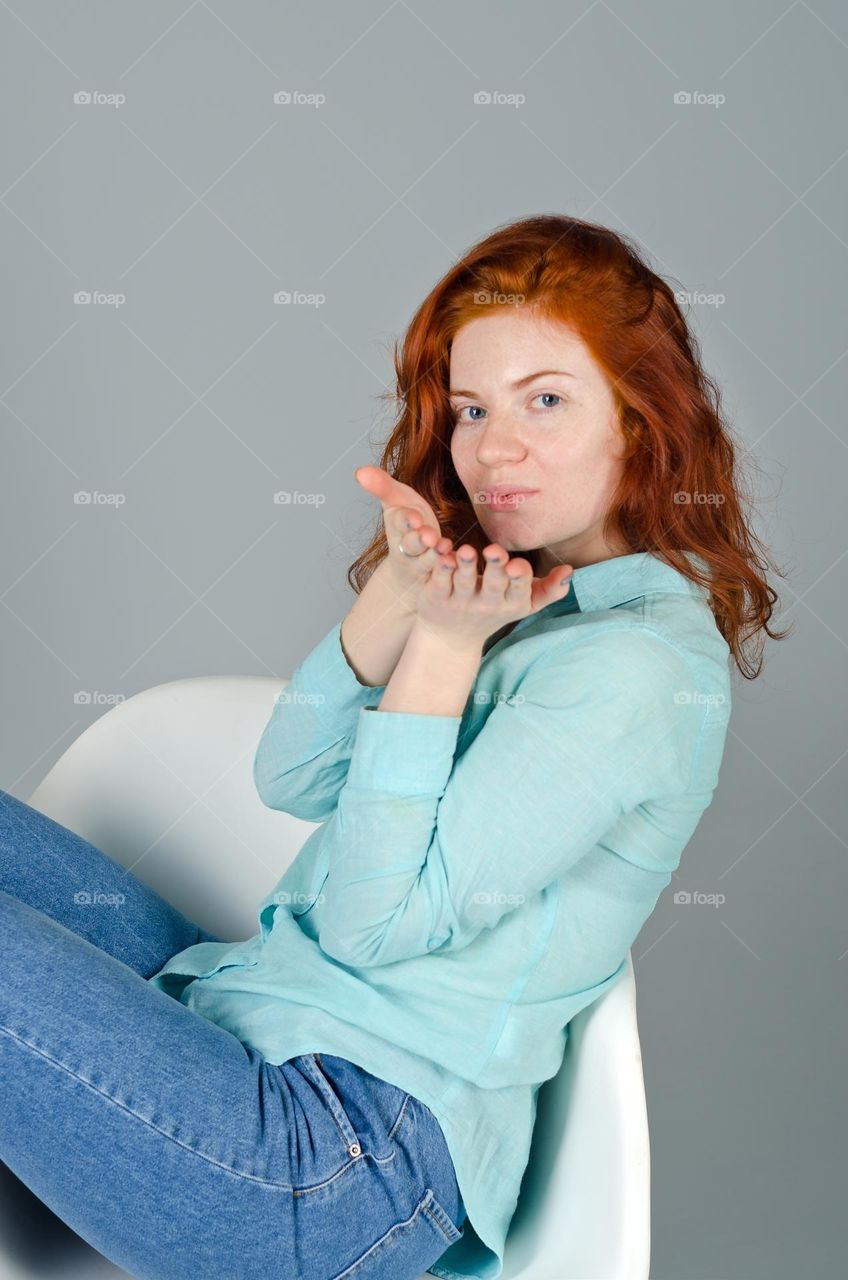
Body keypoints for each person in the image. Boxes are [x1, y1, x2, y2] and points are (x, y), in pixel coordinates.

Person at [0, 214, 788, 1280]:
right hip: (248, 1010)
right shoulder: (531, 594)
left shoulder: (635, 670)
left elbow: (375, 924)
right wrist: (394, 607)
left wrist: (446, 651)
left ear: (639, 423)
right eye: (471, 408)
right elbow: (292, 776)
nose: (489, 448)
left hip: (331, 1168)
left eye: (544, 400)